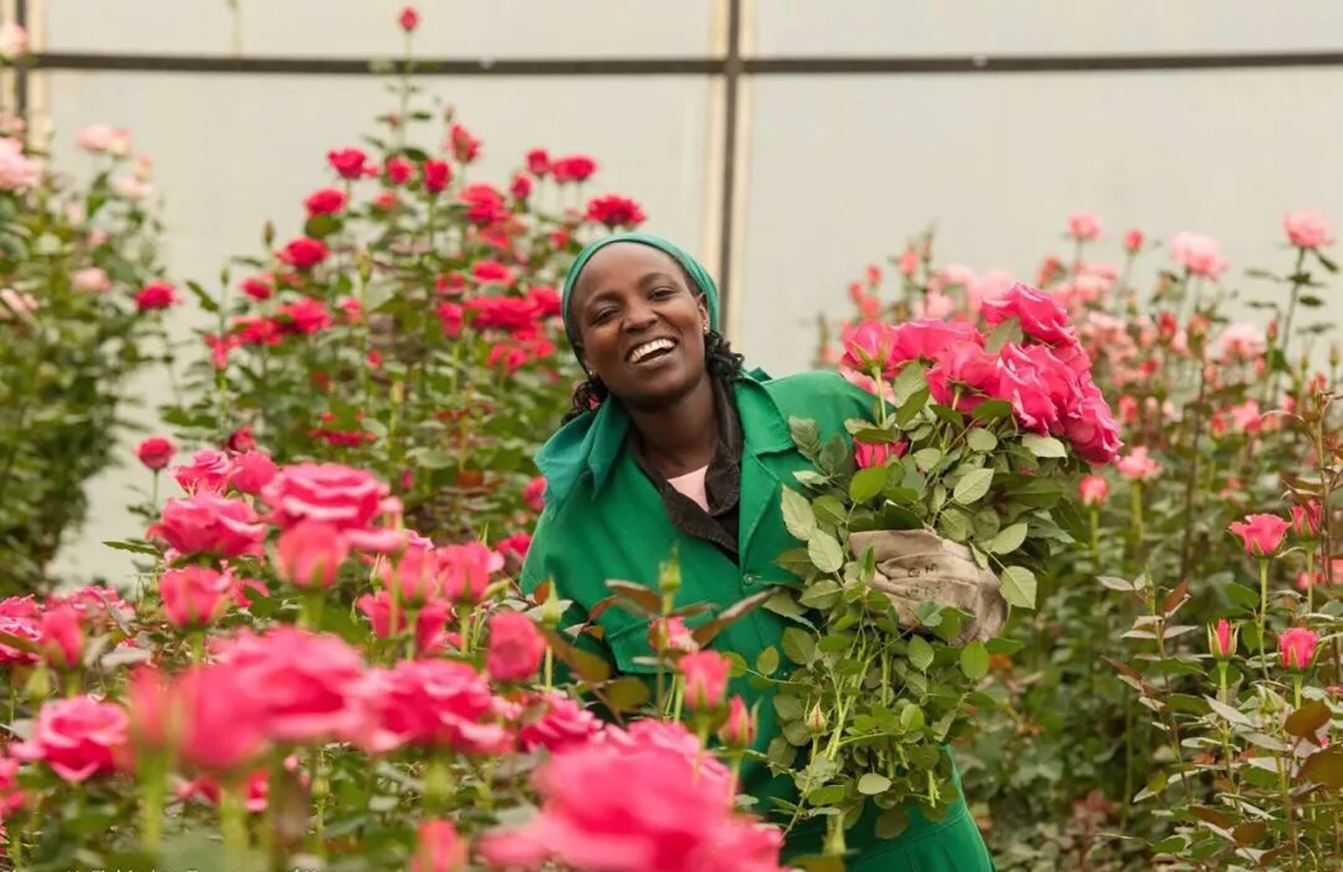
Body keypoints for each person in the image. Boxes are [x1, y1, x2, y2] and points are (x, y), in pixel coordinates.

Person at [520, 233, 997, 871]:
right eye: (605, 315)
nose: (637, 317)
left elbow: (972, 528)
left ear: (700, 309)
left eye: (659, 293)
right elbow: (572, 737)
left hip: (910, 836)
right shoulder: (571, 537)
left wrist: (961, 590)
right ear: (588, 356)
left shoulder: (833, 414)